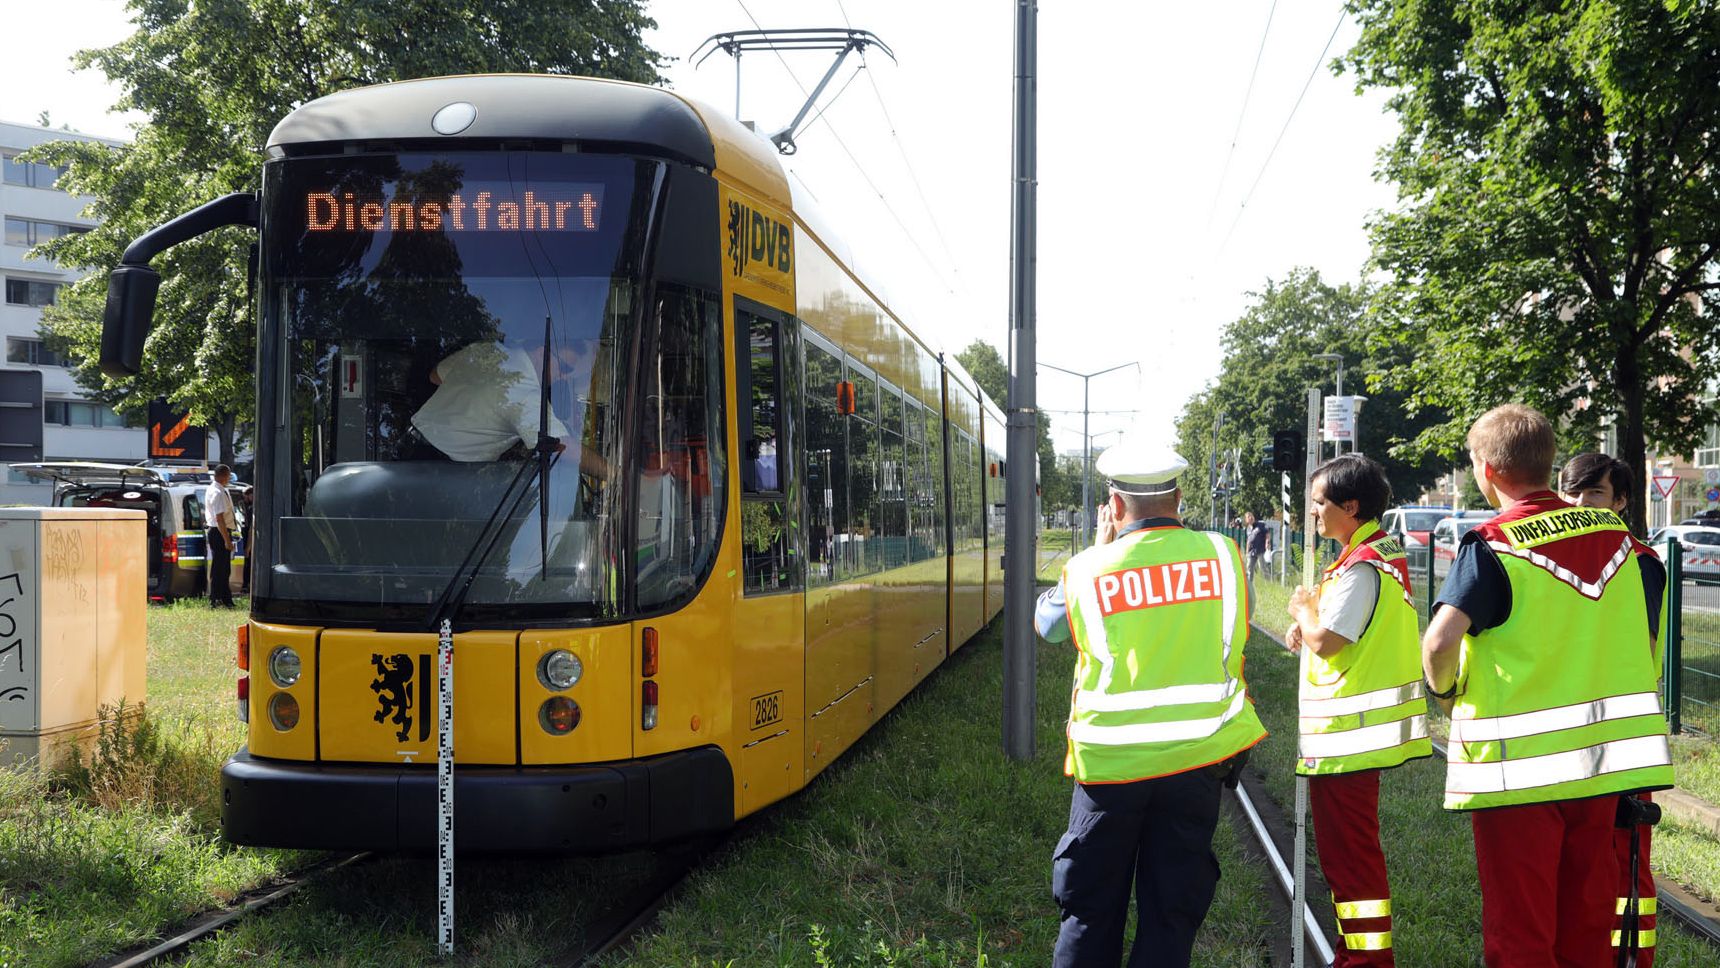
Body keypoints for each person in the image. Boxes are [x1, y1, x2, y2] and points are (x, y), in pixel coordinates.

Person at [1422, 405, 1673, 967]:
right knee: (1588, 921)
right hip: (1601, 764)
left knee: (1521, 931)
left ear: (1487, 470)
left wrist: (1446, 692)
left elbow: (1439, 643)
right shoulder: (1624, 543)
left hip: (1518, 775)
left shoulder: (1492, 544)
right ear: (1548, 462)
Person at [1034, 436, 1267, 968]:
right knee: (1171, 914)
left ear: (1114, 505)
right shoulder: (1222, 555)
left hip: (1111, 769)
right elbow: (1244, 613)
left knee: (1090, 911)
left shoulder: (1089, 569)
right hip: (1196, 762)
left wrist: (1099, 549)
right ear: (1179, 499)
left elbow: (1048, 625)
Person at [1285, 454, 1430, 966]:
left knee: (1351, 864)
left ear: (1350, 506)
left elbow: (1330, 641)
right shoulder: (1367, 555)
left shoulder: (1363, 565)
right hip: (1349, 739)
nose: (1312, 512)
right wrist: (1308, 625)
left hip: (1348, 740)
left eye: (1319, 502)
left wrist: (1305, 613)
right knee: (1347, 861)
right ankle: (1354, 956)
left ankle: (1366, 962)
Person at [1561, 451, 1667, 967]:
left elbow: (1641, 648)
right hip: (1566, 731)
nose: (1580, 504)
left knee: (1626, 860)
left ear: (1621, 502)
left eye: (1595, 493)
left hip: (1622, 734)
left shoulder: (1639, 563)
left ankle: (1630, 959)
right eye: (1572, 492)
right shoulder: (1554, 558)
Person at [204, 464, 237, 609]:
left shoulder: (217, 489)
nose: (229, 478)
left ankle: (225, 598)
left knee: (224, 568)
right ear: (224, 476)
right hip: (219, 532)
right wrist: (227, 540)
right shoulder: (217, 492)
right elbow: (219, 519)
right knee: (219, 568)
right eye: (228, 475)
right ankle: (215, 598)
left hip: (220, 531)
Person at [1244, 511, 1272, 581]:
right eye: (1248, 517)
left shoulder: (1261, 524)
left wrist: (1267, 542)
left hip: (1260, 550)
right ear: (1246, 520)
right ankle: (1250, 584)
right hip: (1251, 551)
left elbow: (1267, 534)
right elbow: (1248, 541)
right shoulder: (1248, 529)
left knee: (1262, 567)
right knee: (1249, 567)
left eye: (1251, 516)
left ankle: (1268, 582)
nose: (1250, 518)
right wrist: (1247, 552)